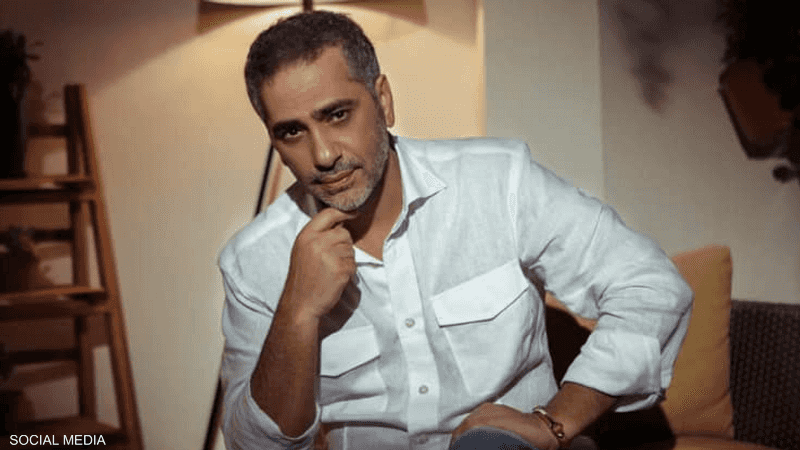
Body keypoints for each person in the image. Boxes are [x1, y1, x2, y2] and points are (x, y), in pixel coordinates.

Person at [218, 10, 692, 450]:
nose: (323, 155)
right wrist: (297, 312)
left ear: (383, 100)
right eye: (292, 132)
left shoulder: (498, 181)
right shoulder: (253, 261)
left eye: (337, 114)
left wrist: (555, 421)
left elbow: (650, 287)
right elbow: (253, 444)